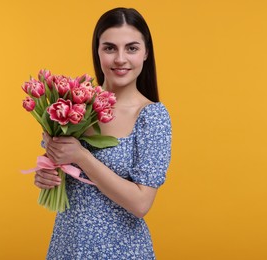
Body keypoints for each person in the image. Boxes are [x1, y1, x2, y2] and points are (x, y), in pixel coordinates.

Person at [34, 7, 172, 259]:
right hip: (67, 246)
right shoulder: (74, 104)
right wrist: (47, 175)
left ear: (146, 53)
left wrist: (82, 157)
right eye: (109, 48)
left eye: (131, 48)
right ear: (97, 51)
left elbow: (141, 204)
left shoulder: (152, 117)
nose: (120, 59)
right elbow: (59, 168)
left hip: (121, 251)